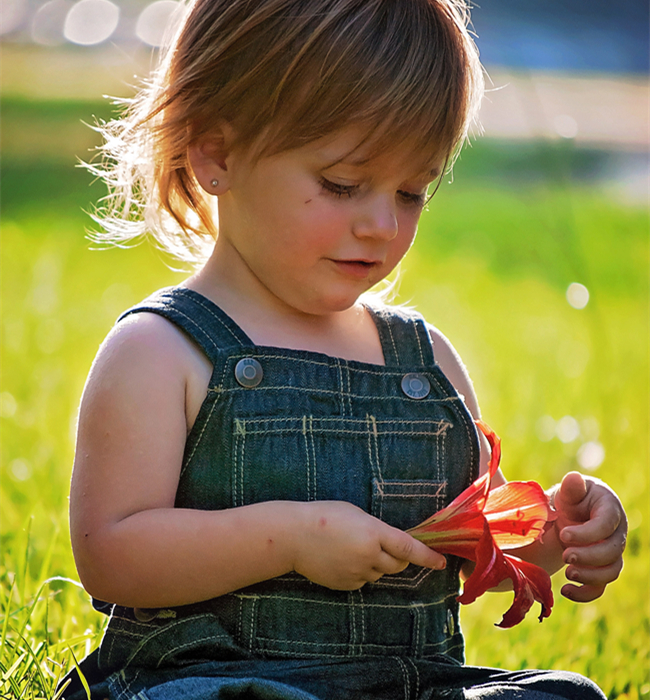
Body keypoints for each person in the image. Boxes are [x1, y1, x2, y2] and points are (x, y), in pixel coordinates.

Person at [62, 0, 627, 698]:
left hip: (411, 683)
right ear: (216, 154)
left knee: (568, 695)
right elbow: (112, 557)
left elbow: (466, 536)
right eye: (341, 185)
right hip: (220, 680)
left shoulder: (423, 364)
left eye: (413, 192)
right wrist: (293, 539)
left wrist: (558, 536)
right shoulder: (161, 351)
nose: (382, 224)